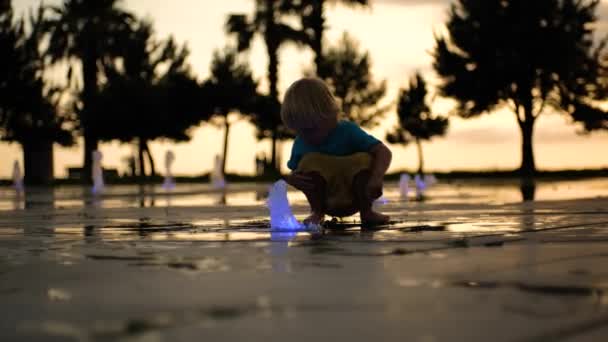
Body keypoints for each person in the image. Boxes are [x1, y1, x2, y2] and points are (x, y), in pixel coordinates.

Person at [281, 77, 392, 226]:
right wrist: (293, 179)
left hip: (355, 198)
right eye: (301, 131)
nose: (308, 137)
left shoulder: (348, 131)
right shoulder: (302, 141)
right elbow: (294, 173)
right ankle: (317, 212)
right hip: (326, 201)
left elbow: (383, 151)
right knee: (307, 163)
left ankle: (367, 212)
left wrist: (376, 178)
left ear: (331, 115)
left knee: (366, 158)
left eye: (311, 129)